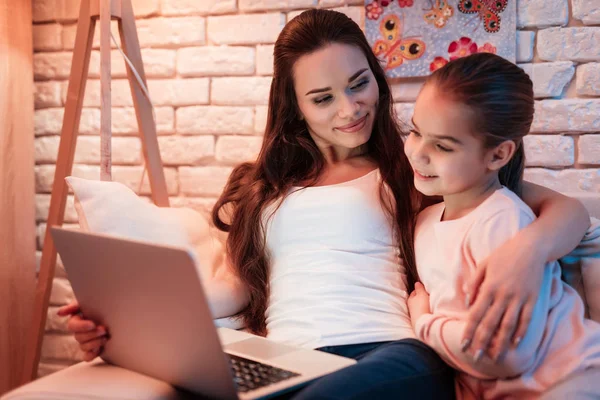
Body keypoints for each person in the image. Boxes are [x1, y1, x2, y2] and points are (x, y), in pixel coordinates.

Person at [58, 10, 590, 399]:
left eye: (360, 84)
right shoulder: (264, 189)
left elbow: (571, 212)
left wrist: (526, 254)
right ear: (294, 106)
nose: (350, 108)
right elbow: (234, 288)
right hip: (286, 357)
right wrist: (121, 319)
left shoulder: (414, 169)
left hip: (390, 350)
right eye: (323, 98)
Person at [406, 52, 600, 399]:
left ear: (497, 155)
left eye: (443, 146)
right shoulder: (424, 223)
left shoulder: (502, 218)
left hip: (571, 378)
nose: (419, 153)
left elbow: (509, 355)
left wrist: (423, 323)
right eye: (415, 131)